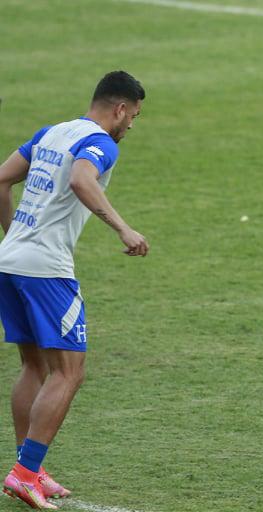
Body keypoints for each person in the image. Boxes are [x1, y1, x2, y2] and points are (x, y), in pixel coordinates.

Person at [0, 71, 148, 510]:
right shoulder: (102, 143)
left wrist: (14, 237)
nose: (131, 126)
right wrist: (124, 228)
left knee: (34, 367)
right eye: (133, 116)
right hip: (47, 270)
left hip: (10, 263)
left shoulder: (53, 132)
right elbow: (82, 181)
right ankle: (26, 474)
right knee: (70, 371)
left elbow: (0, 178)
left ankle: (28, 468)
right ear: (119, 109)